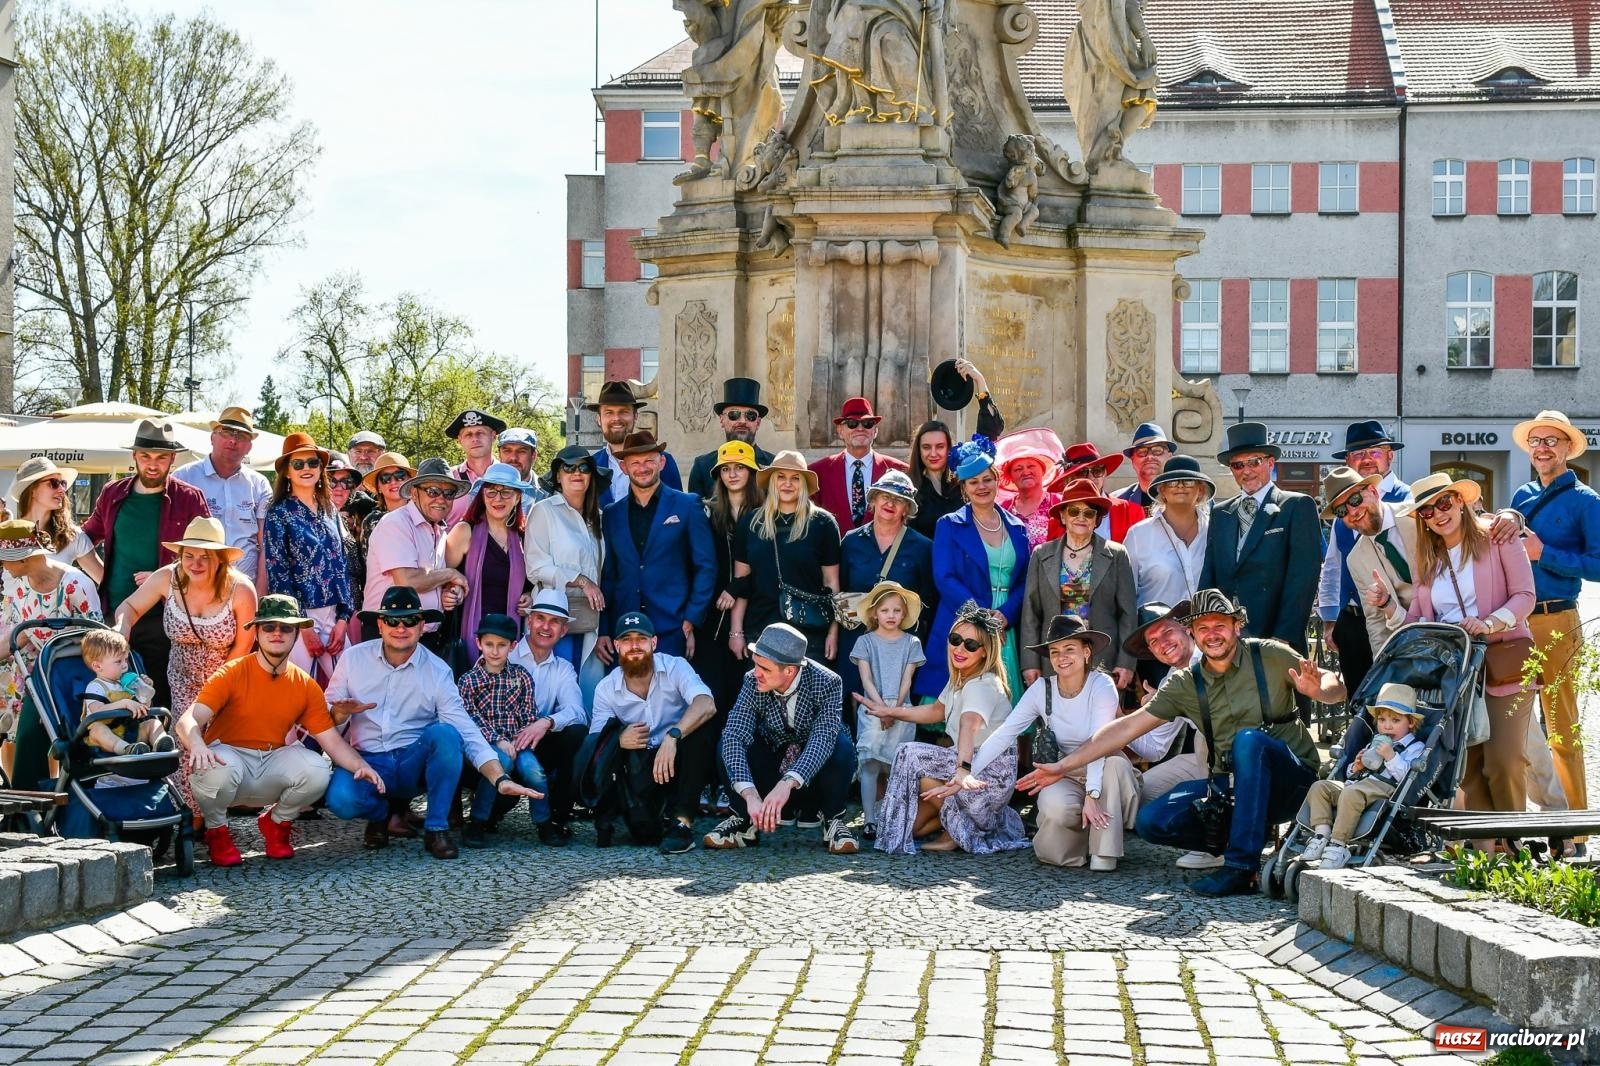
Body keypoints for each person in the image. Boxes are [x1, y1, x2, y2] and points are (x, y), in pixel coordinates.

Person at [1022, 589, 1345, 896]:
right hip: (1230, 786)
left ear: (1237, 625)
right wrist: (1063, 766)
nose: (1212, 634)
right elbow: (1126, 729)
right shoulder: (1183, 683)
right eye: (1203, 628)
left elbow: (1335, 686)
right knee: (1152, 822)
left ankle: (1240, 866)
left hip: (1291, 783)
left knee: (1248, 740)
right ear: (1193, 632)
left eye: (1220, 625)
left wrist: (1319, 690)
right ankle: (1226, 842)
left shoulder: (1268, 654)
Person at [323, 587, 541, 859]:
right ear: (380, 625)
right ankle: (381, 814)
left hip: (412, 761)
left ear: (422, 625)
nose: (400, 627)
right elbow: (325, 719)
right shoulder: (352, 659)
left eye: (410, 620)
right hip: (365, 760)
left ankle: (436, 828)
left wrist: (499, 778)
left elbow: (466, 730)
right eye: (392, 620)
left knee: (446, 734)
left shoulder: (437, 670)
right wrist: (341, 714)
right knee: (340, 800)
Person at [178, 595, 381, 867]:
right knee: (217, 768)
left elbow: (331, 741)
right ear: (257, 631)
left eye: (286, 627)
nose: (277, 633)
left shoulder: (305, 685)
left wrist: (361, 765)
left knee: (317, 770)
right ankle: (217, 832)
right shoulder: (232, 672)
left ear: (297, 633)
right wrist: (198, 745)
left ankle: (277, 823)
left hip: (271, 761)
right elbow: (187, 720)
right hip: (229, 759)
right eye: (269, 626)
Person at [1379, 473, 1537, 818]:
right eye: (1427, 511)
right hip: (1457, 669)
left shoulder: (1497, 537)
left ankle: (1515, 847)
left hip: (1503, 661)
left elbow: (1525, 596)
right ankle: (1486, 853)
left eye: (1444, 502)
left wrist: (1490, 622)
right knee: (1469, 765)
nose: (1438, 513)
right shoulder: (1427, 557)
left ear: (1460, 501)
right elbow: (1419, 618)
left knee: (1505, 761)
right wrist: (1390, 608)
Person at [956, 615, 1139, 870]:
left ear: (1087, 652)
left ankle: (1104, 850)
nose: (1061, 657)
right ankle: (1082, 840)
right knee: (1053, 837)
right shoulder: (1042, 688)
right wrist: (967, 772)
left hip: (1105, 763)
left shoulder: (1102, 685)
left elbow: (1100, 742)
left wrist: (1091, 793)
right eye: (1054, 651)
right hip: (1062, 770)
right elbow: (1006, 733)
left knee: (1113, 768)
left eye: (1069, 649)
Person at [866, 603, 1026, 855]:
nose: (960, 648)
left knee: (909, 752)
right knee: (916, 828)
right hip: (968, 770)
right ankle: (956, 827)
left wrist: (962, 771)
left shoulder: (982, 684)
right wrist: (890, 712)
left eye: (971, 645)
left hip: (985, 781)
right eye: (956, 639)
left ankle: (948, 831)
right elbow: (936, 711)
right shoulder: (962, 678)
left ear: (985, 652)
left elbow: (968, 727)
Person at [1505, 410, 1598, 842]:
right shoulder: (1520, 497)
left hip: (1558, 619)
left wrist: (1545, 553)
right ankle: (1527, 822)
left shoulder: (1586, 501)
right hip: (1515, 624)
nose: (1542, 448)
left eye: (1551, 441)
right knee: (1514, 727)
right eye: (1536, 441)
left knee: (1561, 728)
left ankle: (1576, 830)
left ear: (1566, 448)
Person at [81, 418, 210, 708]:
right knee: (112, 694)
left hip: (165, 615)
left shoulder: (189, 498)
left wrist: (165, 576)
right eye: (145, 456)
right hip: (115, 612)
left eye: (161, 457)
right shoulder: (112, 494)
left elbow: (208, 554)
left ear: (172, 459)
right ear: (135, 456)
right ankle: (122, 750)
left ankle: (161, 751)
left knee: (159, 694)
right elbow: (86, 538)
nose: (153, 464)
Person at [704, 623, 859, 854]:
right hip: (772, 761)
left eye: (765, 669)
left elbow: (823, 738)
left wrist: (787, 783)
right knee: (729, 740)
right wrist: (750, 794)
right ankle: (744, 819)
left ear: (790, 670)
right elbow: (735, 734)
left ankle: (833, 819)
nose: (756, 672)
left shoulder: (828, 681)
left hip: (815, 775)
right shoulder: (751, 681)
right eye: (756, 664)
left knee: (839, 743)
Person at [587, 612, 718, 853]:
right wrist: (618, 739)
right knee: (645, 834)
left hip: (679, 759)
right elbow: (594, 746)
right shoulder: (606, 689)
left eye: (641, 639)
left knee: (702, 728)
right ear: (616, 646)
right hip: (641, 768)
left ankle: (682, 822)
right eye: (626, 640)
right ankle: (615, 816)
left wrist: (674, 735)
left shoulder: (675, 666)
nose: (634, 646)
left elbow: (706, 703)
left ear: (654, 643)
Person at [112, 516, 257, 724]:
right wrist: (121, 627)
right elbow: (130, 607)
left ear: (220, 559)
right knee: (185, 746)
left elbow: (243, 646)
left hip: (226, 684)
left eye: (205, 557)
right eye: (188, 555)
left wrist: (217, 690)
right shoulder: (167, 578)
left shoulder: (241, 589)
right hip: (180, 684)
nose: (195, 564)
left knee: (220, 751)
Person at [923, 438, 1031, 700]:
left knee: (1002, 701)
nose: (981, 486)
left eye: (986, 479)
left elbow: (1025, 580)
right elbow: (944, 577)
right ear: (964, 488)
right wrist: (981, 618)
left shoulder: (1018, 527)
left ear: (996, 480)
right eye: (973, 482)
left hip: (1005, 621)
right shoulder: (949, 524)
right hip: (965, 619)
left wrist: (1005, 615)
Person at [1201, 421, 1321, 652]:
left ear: (1270, 463)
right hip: (1226, 638)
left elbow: (1303, 578)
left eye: (1254, 462)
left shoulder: (1296, 506)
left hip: (1274, 635)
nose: (1246, 471)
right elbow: (1209, 575)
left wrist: (1283, 636)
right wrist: (1203, 626)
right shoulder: (1220, 513)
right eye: (1237, 465)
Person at [0, 519, 102, 789]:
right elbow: (20, 636)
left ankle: (77, 804)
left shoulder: (76, 583)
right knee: (29, 732)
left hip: (81, 671)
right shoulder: (21, 589)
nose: (3, 566)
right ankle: (28, 806)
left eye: (5, 559)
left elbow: (98, 638)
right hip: (44, 673)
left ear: (23, 558)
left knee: (76, 741)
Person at [599, 431, 715, 661]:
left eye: (649, 461)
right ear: (624, 468)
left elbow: (706, 566)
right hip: (623, 628)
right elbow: (609, 575)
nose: (642, 468)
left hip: (672, 626)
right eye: (635, 463)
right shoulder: (612, 514)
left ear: (661, 462)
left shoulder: (687, 505)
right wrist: (603, 629)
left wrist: (691, 618)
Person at [1317, 421, 1413, 694]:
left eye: (1374, 452)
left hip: (1404, 618)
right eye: (1358, 454)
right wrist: (1330, 619)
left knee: (1401, 699)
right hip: (1354, 619)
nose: (1367, 459)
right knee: (1360, 698)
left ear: (1390, 455)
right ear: (1348, 461)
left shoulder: (1410, 500)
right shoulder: (1340, 512)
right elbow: (1333, 566)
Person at [1121, 600, 1217, 870]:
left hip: (1234, 752)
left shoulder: (1212, 655)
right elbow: (1155, 749)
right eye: (1153, 641)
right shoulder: (1169, 680)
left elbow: (1224, 714)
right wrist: (1123, 719)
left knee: (1203, 740)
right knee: (1139, 795)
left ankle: (1215, 843)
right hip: (1203, 759)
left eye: (1166, 632)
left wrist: (1173, 704)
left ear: (1186, 629)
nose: (1162, 643)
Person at [1020, 479, 1137, 689]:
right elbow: (1031, 613)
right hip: (1054, 659)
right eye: (1074, 511)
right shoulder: (1042, 554)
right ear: (1063, 516)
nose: (1081, 517)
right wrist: (1030, 662)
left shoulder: (1117, 554)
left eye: (1089, 513)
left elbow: (1128, 614)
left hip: (1102, 658)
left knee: (1103, 721)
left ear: (1097, 519)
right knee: (1056, 718)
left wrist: (1126, 662)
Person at [730, 450, 842, 664]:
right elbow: (741, 583)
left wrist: (833, 633)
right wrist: (736, 632)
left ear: (804, 484)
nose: (787, 484)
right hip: (761, 627)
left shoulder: (822, 523)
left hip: (810, 631)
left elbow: (832, 583)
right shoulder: (752, 522)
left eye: (795, 478)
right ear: (772, 481)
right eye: (781, 477)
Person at [1299, 683, 1427, 870]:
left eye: (1395, 720)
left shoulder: (1414, 747)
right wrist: (1356, 766)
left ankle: (1338, 845)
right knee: (1320, 787)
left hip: (1384, 789)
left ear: (1411, 723)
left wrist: (1391, 756)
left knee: (1351, 793)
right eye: (1382, 720)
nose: (1387, 726)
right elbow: (1352, 773)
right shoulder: (1374, 741)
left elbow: (1406, 777)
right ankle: (1321, 834)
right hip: (1358, 785)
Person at [457, 613, 550, 848]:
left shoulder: (521, 677)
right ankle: (478, 821)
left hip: (518, 742)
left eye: (501, 645)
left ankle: (544, 822)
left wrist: (519, 740)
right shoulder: (469, 681)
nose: (495, 651)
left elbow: (529, 713)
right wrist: (499, 741)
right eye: (489, 644)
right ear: (479, 643)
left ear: (513, 646)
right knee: (501, 764)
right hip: (486, 744)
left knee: (535, 772)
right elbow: (470, 718)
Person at [508, 589, 593, 846]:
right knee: (499, 801)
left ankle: (558, 815)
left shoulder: (563, 669)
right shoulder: (506, 653)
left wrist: (546, 722)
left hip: (537, 743)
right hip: (500, 742)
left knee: (576, 732)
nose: (546, 627)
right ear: (529, 621)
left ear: (563, 631)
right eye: (541, 618)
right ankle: (481, 817)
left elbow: (578, 711)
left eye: (555, 621)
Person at [264, 433, 353, 679]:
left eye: (313, 463)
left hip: (335, 615)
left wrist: (344, 619)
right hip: (301, 617)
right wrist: (303, 625)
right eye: (298, 464)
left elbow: (341, 567)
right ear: (287, 472)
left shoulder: (330, 509)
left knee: (349, 689)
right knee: (300, 696)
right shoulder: (278, 514)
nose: (307, 469)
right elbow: (278, 575)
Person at [696, 441, 764, 754]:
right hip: (714, 616)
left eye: (739, 468)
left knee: (746, 696)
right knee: (714, 693)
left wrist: (735, 589)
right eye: (726, 469)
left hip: (755, 615)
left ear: (751, 472)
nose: (732, 474)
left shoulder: (765, 512)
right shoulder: (708, 512)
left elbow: (765, 568)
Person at [364, 458, 469, 659]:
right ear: (414, 493)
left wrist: (450, 592)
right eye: (432, 491)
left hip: (423, 636)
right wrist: (451, 574)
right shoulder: (396, 523)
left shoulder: (439, 529)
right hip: (390, 635)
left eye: (449, 493)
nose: (441, 498)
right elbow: (407, 581)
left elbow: (432, 579)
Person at [525, 446, 608, 692]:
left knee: (585, 684)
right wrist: (580, 580)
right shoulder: (544, 511)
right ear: (558, 477)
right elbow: (536, 567)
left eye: (584, 467)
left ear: (591, 475)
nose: (576, 473)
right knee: (552, 684)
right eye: (568, 467)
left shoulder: (598, 517)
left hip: (589, 616)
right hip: (553, 614)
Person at [849, 581, 926, 840]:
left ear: (904, 614)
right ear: (874, 613)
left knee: (896, 766)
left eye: (896, 610)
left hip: (902, 709)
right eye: (885, 610)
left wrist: (894, 711)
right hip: (872, 707)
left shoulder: (911, 642)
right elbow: (866, 678)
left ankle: (890, 817)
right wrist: (881, 708)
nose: (891, 615)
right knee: (870, 763)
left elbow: (908, 679)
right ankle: (869, 819)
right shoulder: (865, 642)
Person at [173, 406, 272, 590]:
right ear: (212, 437)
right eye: (226, 432)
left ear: (250, 446)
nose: (233, 440)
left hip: (244, 587)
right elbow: (170, 534)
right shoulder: (183, 477)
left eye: (242, 436)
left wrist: (260, 590)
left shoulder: (259, 484)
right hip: (195, 588)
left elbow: (265, 542)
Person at [444, 463, 536, 644]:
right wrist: (452, 589)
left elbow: (532, 582)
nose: (498, 499)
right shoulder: (464, 531)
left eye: (506, 492)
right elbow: (443, 576)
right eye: (491, 492)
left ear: (517, 497)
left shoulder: (524, 537)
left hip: (510, 636)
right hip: (472, 632)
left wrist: (530, 596)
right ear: (483, 496)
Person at [1122, 455, 1213, 609]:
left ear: (1200, 489)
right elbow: (1124, 594)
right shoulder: (1138, 535)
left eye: (1188, 481)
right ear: (1162, 490)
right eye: (1172, 482)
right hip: (1156, 630)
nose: (1180, 486)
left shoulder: (1215, 530)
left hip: (1206, 630)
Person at [808, 397, 909, 533]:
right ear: (840, 431)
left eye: (867, 423)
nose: (860, 428)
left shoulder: (900, 471)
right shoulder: (817, 472)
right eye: (852, 423)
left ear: (875, 431)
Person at [77, 629, 173, 759]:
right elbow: (96, 711)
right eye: (118, 661)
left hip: (130, 731)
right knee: (97, 730)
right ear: (98, 666)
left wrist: (145, 691)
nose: (124, 666)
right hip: (106, 737)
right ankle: (127, 750)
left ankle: (161, 743)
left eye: (126, 660)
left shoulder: (127, 684)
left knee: (153, 723)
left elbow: (144, 708)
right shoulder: (95, 686)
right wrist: (124, 703)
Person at [587, 380, 684, 504]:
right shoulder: (591, 466)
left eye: (624, 412)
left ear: (636, 416)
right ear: (599, 419)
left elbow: (677, 508)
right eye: (609, 412)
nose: (616, 418)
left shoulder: (661, 460)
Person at [8, 457, 101, 582]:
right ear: (32, 490)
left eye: (63, 483)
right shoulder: (7, 535)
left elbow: (105, 581)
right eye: (54, 483)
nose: (62, 490)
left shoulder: (72, 535)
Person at [686, 378, 777, 498]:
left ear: (758, 423)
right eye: (734, 415)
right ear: (722, 420)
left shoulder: (773, 465)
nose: (742, 421)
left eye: (750, 416)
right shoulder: (703, 466)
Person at [1052, 443, 1146, 543]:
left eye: (1097, 470)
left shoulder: (1131, 512)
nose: (1091, 477)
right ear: (1068, 480)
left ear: (1104, 473)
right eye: (1082, 472)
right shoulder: (1055, 521)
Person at [995, 428, 1065, 549]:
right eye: (1018, 469)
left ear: (1042, 470)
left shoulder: (1060, 503)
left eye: (1031, 466)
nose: (1025, 472)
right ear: (1010, 476)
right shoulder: (1003, 509)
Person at [445, 408, 508, 525]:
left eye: (480, 433)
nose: (475, 439)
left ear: (493, 436)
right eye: (468, 435)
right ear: (460, 440)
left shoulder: (509, 476)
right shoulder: (448, 479)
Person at [326, 459, 366, 612]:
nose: (339, 488)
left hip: (352, 606)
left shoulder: (345, 520)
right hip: (329, 609)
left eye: (346, 482)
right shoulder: (313, 519)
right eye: (332, 481)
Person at [1114, 422, 1178, 512]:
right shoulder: (1116, 502)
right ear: (1132, 460)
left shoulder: (1187, 499)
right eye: (1142, 451)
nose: (1150, 456)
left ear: (1169, 457)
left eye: (1157, 450)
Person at [495, 428, 549, 512]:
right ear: (499, 454)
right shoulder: (485, 491)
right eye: (507, 451)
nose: (513, 457)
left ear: (533, 455)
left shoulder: (548, 495)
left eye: (521, 451)